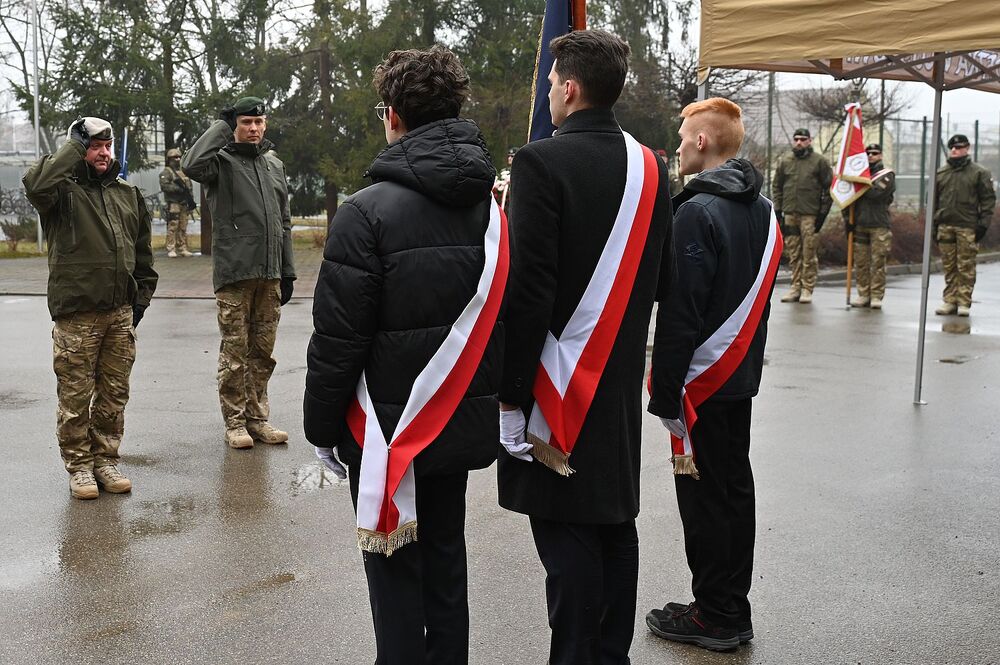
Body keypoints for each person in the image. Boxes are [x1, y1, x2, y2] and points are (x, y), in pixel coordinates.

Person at [303, 46, 506, 665]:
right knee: (447, 557)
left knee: (391, 564)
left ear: (391, 116)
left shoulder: (364, 213)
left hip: (386, 429)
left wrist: (320, 428)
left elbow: (339, 338)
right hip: (460, 415)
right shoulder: (491, 208)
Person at [496, 30, 673, 665]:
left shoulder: (540, 164)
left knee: (567, 529)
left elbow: (527, 292)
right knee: (613, 523)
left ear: (569, 89)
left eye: (548, 84)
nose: (547, 94)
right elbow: (661, 280)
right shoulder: (654, 167)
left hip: (555, 383)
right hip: (618, 375)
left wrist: (512, 399)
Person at [645, 98, 781, 652]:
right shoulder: (763, 208)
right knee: (732, 494)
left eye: (682, 138)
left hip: (702, 384)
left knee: (705, 501)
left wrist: (666, 392)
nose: (677, 148)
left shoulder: (696, 212)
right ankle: (725, 604)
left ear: (702, 142)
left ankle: (716, 616)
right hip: (737, 376)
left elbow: (681, 312)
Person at [23, 116, 158, 499]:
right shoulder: (61, 194)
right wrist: (74, 145)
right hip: (77, 316)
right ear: (80, 149)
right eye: (93, 146)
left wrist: (140, 302)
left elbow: (144, 257)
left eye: (106, 146)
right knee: (76, 396)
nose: (102, 153)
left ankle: (106, 459)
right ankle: (80, 467)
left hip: (119, 314)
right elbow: (36, 183)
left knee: (114, 395)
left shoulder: (127, 195)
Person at [182, 97, 296, 449]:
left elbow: (285, 221)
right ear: (235, 125)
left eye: (259, 122)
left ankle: (257, 418)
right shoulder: (220, 163)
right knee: (235, 353)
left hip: (270, 273)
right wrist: (220, 125)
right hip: (236, 273)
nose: (254, 129)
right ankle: (234, 423)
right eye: (246, 122)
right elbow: (191, 165)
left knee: (262, 353)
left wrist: (287, 270)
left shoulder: (273, 165)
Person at [933, 133, 996, 317]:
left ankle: (964, 301)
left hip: (967, 225)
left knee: (966, 266)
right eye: (952, 147)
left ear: (967, 149)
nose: (955, 150)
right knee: (949, 266)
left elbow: (988, 200)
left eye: (959, 147)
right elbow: (934, 201)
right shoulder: (941, 173)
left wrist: (983, 224)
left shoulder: (979, 173)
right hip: (945, 225)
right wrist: (933, 226)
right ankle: (950, 300)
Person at [773, 128, 832, 304]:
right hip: (790, 213)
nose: (799, 142)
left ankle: (807, 288)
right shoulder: (785, 161)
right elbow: (777, 186)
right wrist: (778, 210)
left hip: (810, 215)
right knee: (793, 252)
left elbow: (828, 188)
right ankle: (795, 287)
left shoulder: (819, 162)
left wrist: (822, 214)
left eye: (803, 139)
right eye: (796, 139)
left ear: (809, 141)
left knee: (808, 253)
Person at [846, 143, 895, 309]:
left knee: (878, 262)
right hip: (860, 223)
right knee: (861, 262)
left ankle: (876, 296)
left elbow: (875, 194)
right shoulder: (858, 176)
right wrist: (848, 221)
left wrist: (859, 181)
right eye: (868, 153)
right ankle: (863, 294)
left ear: (880, 155)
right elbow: (849, 199)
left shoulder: (887, 175)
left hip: (879, 225)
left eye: (874, 153)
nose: (871, 156)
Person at [159, 147, 196, 257]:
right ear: (169, 159)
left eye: (179, 157)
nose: (178, 159)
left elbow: (189, 188)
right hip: (174, 203)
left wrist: (191, 201)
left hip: (184, 203)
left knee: (183, 226)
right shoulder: (167, 172)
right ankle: (171, 248)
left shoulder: (183, 172)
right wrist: (177, 189)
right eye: (175, 157)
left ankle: (182, 247)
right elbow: (164, 186)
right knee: (173, 226)